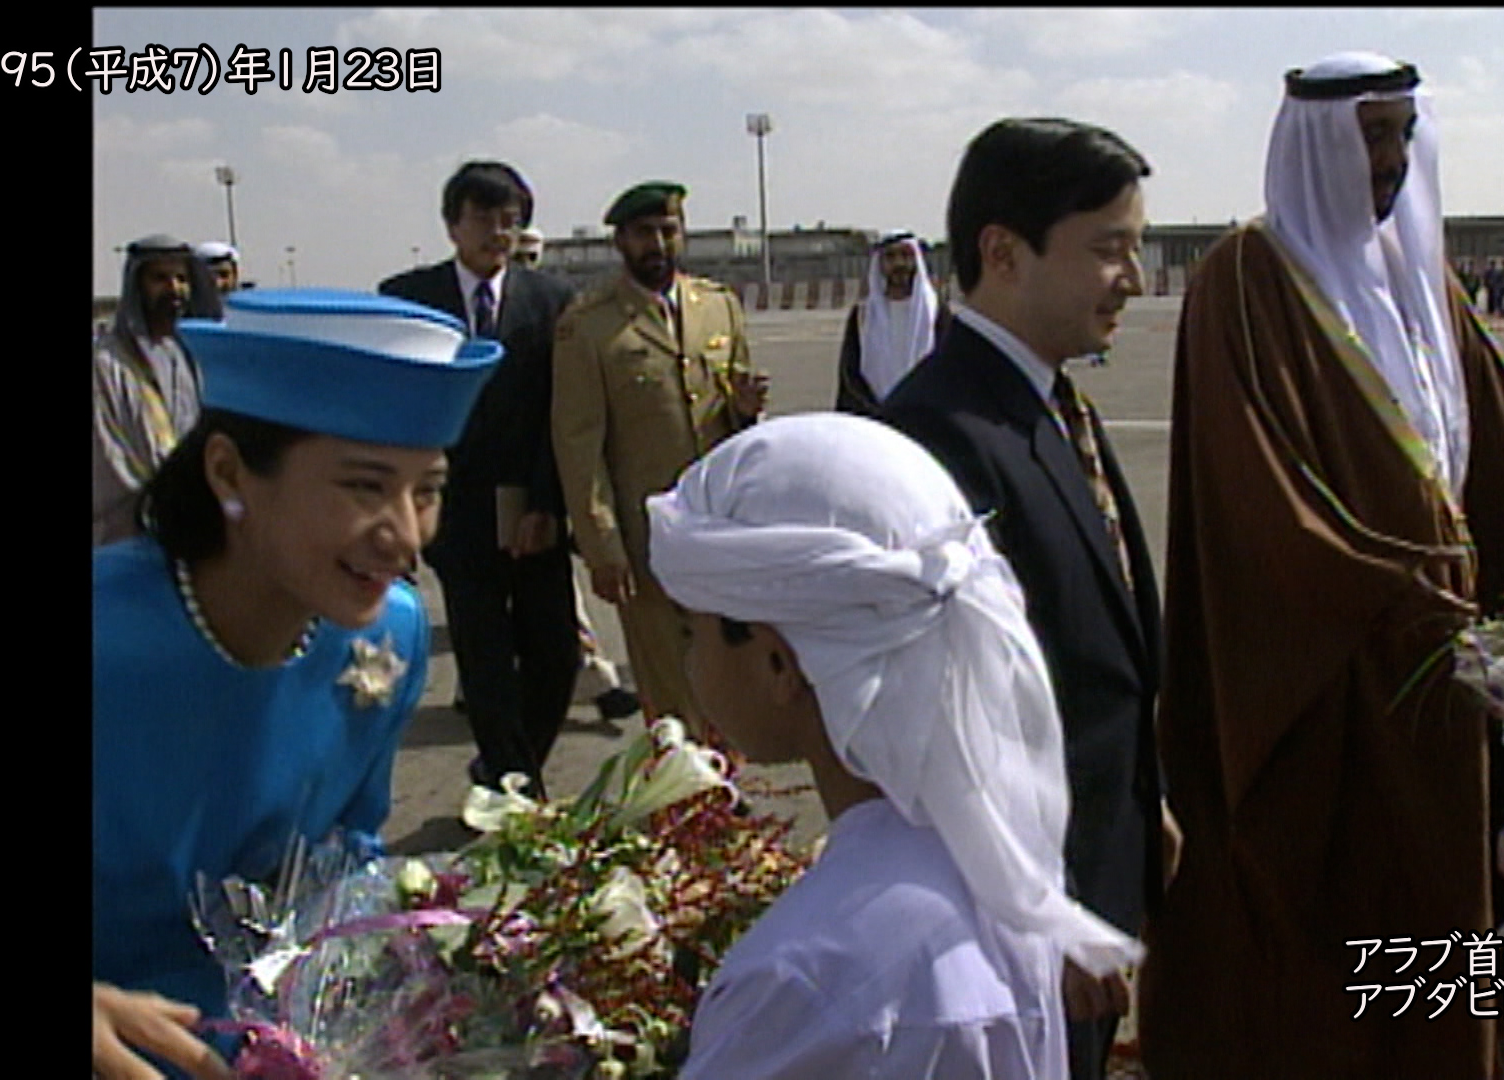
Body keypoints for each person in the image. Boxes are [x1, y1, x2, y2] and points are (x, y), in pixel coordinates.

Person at [1138, 53, 1504, 1079]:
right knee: (1336, 923)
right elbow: (1264, 501)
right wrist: (1411, 601)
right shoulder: (1245, 282)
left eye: (1404, 132)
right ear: (1317, 141)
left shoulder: (1426, 277)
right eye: (1370, 134)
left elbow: (1497, 446)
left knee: (1450, 911)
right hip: (1329, 676)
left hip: (1452, 676)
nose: (1392, 159)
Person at [652, 413, 1144, 1080]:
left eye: (691, 634)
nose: (688, 665)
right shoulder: (1003, 870)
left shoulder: (802, 978)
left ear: (777, 664)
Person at [91, 289, 500, 1080]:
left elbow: (349, 860)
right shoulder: (106, 636)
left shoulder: (391, 634)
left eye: (429, 491)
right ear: (229, 471)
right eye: (365, 488)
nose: (406, 536)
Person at [878, 117, 1170, 1080]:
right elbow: (957, 718)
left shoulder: (1044, 400)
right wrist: (1044, 905)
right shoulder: (939, 431)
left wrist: (1145, 793)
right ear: (1002, 252)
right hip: (1037, 906)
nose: (1132, 277)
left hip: (1099, 849)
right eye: (1107, 251)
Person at [378, 160, 583, 796]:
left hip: (530, 502)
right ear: (452, 226)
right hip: (453, 509)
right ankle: (517, 785)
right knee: (485, 655)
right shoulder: (408, 298)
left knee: (557, 656)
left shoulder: (551, 301)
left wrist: (546, 503)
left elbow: (564, 412)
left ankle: (506, 766)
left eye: (512, 219)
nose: (501, 231)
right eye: (487, 218)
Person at [552, 180, 768, 732]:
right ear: (620, 242)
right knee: (668, 681)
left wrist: (744, 412)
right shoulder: (590, 325)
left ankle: (724, 786)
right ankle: (686, 798)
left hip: (719, 528)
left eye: (668, 230)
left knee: (730, 669)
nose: (658, 243)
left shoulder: (718, 308)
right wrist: (603, 547)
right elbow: (579, 447)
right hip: (645, 540)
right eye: (644, 233)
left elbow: (735, 426)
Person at [93, 234, 221, 547]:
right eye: (160, 278)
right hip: (129, 532)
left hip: (194, 524)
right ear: (137, 285)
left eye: (181, 278)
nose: (174, 288)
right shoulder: (108, 364)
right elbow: (109, 456)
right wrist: (164, 497)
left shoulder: (189, 354)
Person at [835, 230, 952, 415]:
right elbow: (850, 377)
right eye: (890, 257)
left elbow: (949, 370)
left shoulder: (936, 312)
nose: (899, 264)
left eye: (906, 255)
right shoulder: (863, 315)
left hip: (925, 418)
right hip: (875, 422)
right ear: (880, 264)